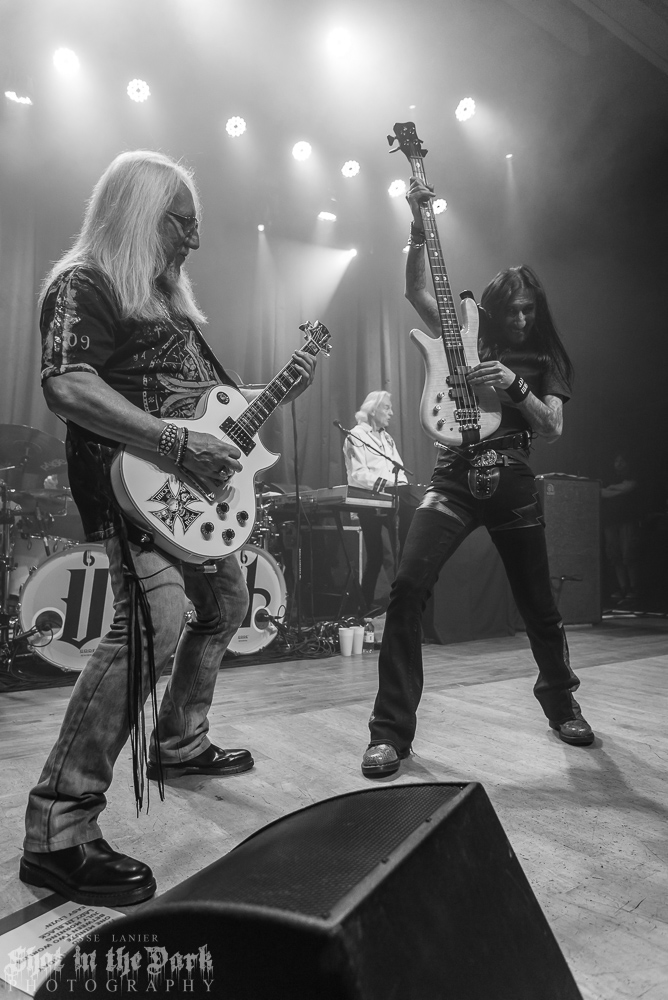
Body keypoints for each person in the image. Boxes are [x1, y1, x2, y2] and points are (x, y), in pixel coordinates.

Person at [20, 150, 318, 906]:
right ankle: (58, 824)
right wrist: (177, 445)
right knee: (153, 616)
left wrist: (266, 394)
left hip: (183, 492)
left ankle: (179, 743)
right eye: (181, 224)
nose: (192, 242)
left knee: (224, 600)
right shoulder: (84, 280)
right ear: (139, 214)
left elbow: (204, 403)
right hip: (130, 490)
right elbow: (69, 385)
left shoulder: (166, 302)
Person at [361, 176, 595, 778]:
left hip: (513, 476)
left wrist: (514, 387)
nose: (520, 317)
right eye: (512, 309)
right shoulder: (466, 334)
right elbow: (416, 286)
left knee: (538, 601)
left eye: (529, 309)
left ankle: (561, 703)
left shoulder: (545, 359)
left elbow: (552, 429)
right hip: (454, 475)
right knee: (408, 587)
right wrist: (417, 225)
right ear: (493, 308)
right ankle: (390, 733)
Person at [342, 391, 409, 611]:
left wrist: (402, 486)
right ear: (373, 409)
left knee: (399, 553)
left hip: (394, 500)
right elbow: (358, 475)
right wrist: (388, 484)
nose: (391, 413)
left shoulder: (387, 438)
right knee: (376, 555)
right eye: (386, 408)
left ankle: (396, 603)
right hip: (370, 502)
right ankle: (363, 607)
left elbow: (400, 470)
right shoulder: (356, 435)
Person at [601, 451, 641, 605]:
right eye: (616, 460)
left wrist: (613, 489)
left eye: (622, 461)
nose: (618, 463)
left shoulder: (634, 476)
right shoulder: (608, 477)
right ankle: (622, 587)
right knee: (615, 556)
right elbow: (601, 493)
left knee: (629, 554)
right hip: (610, 522)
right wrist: (617, 489)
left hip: (627, 521)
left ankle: (634, 588)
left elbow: (629, 487)